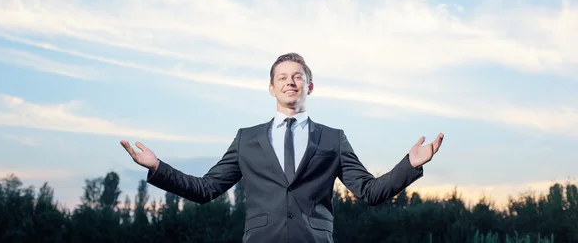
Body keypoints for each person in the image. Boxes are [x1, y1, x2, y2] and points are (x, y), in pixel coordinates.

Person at [120, 53, 444, 243]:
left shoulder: (333, 139)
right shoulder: (247, 139)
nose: (291, 82)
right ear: (271, 87)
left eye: (298, 77)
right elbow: (205, 189)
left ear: (309, 86)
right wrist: (157, 168)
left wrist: (409, 165)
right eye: (283, 77)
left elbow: (370, 191)